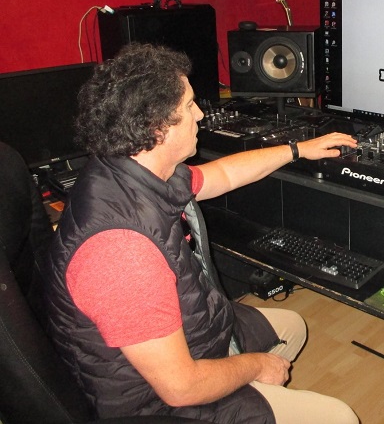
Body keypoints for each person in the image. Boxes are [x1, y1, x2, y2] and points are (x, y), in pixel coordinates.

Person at [41, 43, 359, 424]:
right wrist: (257, 366)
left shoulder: (133, 169)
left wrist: (298, 149)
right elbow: (181, 387)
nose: (201, 114)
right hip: (155, 405)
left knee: (292, 326)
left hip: (189, 340)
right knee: (339, 416)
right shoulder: (120, 252)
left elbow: (223, 174)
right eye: (189, 106)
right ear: (157, 127)